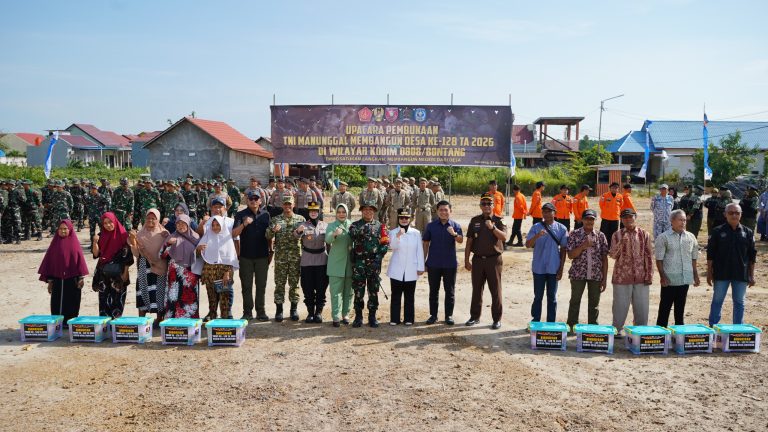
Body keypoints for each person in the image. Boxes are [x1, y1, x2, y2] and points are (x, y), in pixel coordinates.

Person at [707, 203, 757, 326]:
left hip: (740, 274)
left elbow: (752, 256)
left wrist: (752, 275)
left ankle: (737, 329)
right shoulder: (717, 231)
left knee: (739, 302)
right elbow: (710, 255)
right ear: (725, 214)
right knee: (717, 301)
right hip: (721, 273)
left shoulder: (748, 232)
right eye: (731, 213)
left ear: (741, 215)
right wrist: (709, 273)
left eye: (737, 213)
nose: (734, 215)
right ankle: (713, 327)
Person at [464, 193, 507, 329]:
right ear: (480, 206)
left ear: (493, 205)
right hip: (478, 260)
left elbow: (504, 237)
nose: (486, 206)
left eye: (489, 203)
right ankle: (474, 317)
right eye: (484, 204)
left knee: (495, 290)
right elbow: (469, 242)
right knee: (476, 289)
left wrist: (493, 228)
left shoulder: (498, 220)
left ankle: (496, 319)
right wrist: (466, 260)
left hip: (493, 260)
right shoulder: (475, 220)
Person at [609, 208, 654, 335]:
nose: (628, 219)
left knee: (642, 306)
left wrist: (649, 275)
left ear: (635, 217)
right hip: (622, 277)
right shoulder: (616, 235)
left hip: (641, 277)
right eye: (625, 217)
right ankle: (617, 330)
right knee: (620, 306)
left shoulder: (644, 234)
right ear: (621, 220)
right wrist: (621, 244)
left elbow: (649, 256)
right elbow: (613, 255)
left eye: (630, 217)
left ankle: (640, 332)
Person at [38, 219, 89, 325]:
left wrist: (81, 278)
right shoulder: (54, 244)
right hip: (57, 279)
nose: (63, 231)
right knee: (56, 301)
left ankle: (70, 322)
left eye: (65, 229)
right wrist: (50, 281)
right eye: (60, 229)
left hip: (72, 279)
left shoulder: (74, 244)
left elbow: (79, 262)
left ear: (70, 229)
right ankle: (58, 323)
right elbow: (50, 263)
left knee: (72, 300)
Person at [654, 209, 700, 327]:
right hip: (669, 280)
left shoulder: (691, 237)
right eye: (680, 220)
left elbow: (693, 258)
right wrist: (662, 277)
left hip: (685, 279)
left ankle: (679, 333)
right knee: (665, 308)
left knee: (680, 308)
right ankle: (661, 332)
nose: (683, 222)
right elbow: (659, 259)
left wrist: (695, 275)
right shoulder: (663, 237)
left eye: (684, 220)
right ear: (672, 221)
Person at [349, 199, 389, 328]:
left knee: (373, 290)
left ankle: (372, 316)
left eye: (370, 209)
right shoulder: (355, 225)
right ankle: (358, 316)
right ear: (361, 211)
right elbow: (352, 235)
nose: (368, 212)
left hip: (374, 264)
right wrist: (363, 229)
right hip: (359, 263)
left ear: (374, 211)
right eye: (365, 209)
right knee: (358, 291)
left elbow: (385, 243)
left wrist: (378, 258)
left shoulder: (380, 226)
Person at [565, 209, 608, 330]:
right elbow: (570, 255)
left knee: (594, 304)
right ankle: (572, 326)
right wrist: (583, 246)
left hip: (595, 275)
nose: (589, 221)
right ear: (582, 220)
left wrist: (604, 279)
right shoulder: (574, 234)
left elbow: (604, 259)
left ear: (595, 220)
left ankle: (592, 328)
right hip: (578, 274)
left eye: (592, 219)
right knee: (575, 301)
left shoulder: (600, 236)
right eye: (587, 219)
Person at [232, 190, 272, 321]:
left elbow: (269, 235)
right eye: (251, 199)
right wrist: (244, 224)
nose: (253, 201)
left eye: (256, 198)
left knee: (261, 286)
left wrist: (271, 251)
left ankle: (261, 311)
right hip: (246, 256)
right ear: (247, 201)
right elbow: (234, 233)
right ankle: (247, 312)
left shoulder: (266, 215)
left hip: (262, 256)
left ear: (260, 201)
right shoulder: (240, 214)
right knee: (246, 286)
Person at [526, 202, 568, 323]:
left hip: (553, 268)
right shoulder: (536, 227)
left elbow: (564, 249)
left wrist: (561, 269)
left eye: (549, 211)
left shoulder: (562, 228)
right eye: (544, 211)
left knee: (552, 297)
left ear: (555, 213)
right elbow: (528, 245)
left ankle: (551, 323)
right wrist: (537, 236)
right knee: (538, 296)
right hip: (538, 268)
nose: (546, 214)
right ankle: (535, 321)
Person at [423, 200, 463, 325]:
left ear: (450, 211)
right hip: (433, 263)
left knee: (449, 291)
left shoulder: (455, 225)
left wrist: (454, 234)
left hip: (449, 264)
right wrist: (423, 261)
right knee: (433, 291)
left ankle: (448, 316)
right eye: (441, 210)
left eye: (446, 210)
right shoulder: (431, 226)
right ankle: (433, 315)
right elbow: (426, 243)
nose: (443, 212)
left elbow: (461, 240)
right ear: (437, 211)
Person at [266, 195, 305, 322]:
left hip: (295, 257)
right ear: (282, 205)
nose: (287, 206)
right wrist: (273, 230)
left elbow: (305, 238)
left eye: (289, 204)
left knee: (294, 284)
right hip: (281, 258)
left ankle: (293, 310)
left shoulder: (300, 219)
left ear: (293, 205)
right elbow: (267, 235)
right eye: (285, 204)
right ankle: (279, 310)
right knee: (279, 284)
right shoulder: (276, 219)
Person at [129, 208, 169, 321]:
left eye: (153, 218)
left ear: (158, 219)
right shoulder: (139, 234)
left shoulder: (164, 233)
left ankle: (159, 319)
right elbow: (136, 254)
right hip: (144, 266)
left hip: (160, 266)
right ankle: (141, 319)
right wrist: (133, 241)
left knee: (159, 291)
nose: (150, 220)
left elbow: (168, 250)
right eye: (148, 218)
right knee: (143, 291)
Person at [91, 212, 134, 318]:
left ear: (115, 221)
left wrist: (125, 273)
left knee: (117, 300)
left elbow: (128, 255)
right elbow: (96, 254)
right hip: (103, 273)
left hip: (118, 274)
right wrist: (95, 243)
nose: (108, 225)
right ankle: (104, 324)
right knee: (103, 300)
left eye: (110, 222)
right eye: (105, 223)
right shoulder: (101, 236)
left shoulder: (123, 235)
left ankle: (115, 323)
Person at [386, 209, 424, 326]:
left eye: (406, 218)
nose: (404, 220)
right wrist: (398, 235)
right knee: (396, 295)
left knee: (409, 296)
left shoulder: (416, 233)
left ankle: (409, 319)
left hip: (411, 268)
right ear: (398, 219)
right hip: (396, 268)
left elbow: (419, 251)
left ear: (410, 219)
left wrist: (420, 266)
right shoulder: (393, 232)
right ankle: (395, 319)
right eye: (401, 218)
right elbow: (392, 247)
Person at [197, 216, 239, 320]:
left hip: (224, 272)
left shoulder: (227, 238)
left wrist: (227, 273)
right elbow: (197, 254)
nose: (215, 227)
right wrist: (198, 249)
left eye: (218, 225)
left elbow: (231, 257)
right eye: (213, 225)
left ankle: (224, 322)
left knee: (224, 298)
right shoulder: (207, 236)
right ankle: (212, 320)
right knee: (212, 298)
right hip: (209, 271)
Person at [160, 214, 201, 319]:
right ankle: (172, 321)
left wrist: (199, 250)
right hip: (174, 274)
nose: (181, 226)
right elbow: (162, 255)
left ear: (188, 224)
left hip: (190, 273)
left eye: (183, 223)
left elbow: (200, 256)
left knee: (189, 296)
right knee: (173, 296)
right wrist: (168, 244)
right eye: (178, 223)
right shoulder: (172, 237)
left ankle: (190, 322)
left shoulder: (196, 237)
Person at [295, 201, 328, 323]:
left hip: (322, 259)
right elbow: (296, 236)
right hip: (307, 260)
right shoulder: (303, 225)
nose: (313, 213)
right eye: (311, 211)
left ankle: (318, 312)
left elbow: (329, 243)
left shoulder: (325, 225)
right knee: (307, 287)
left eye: (315, 211)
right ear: (308, 212)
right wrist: (299, 231)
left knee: (321, 287)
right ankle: (310, 313)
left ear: (319, 212)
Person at [326, 203, 354, 327]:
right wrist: (334, 234)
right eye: (339, 212)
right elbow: (327, 239)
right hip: (336, 264)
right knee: (336, 292)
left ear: (347, 213)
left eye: (344, 212)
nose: (341, 214)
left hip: (349, 264)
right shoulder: (331, 226)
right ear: (336, 213)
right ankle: (336, 316)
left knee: (349, 292)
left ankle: (345, 314)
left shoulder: (352, 225)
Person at [599, 182, 623, 247]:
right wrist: (606, 211)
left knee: (613, 234)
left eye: (616, 188)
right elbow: (601, 205)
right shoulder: (604, 195)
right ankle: (602, 246)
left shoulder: (620, 196)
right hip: (606, 218)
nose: (614, 189)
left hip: (615, 218)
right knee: (604, 233)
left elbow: (621, 205)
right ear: (610, 188)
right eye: (613, 188)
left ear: (618, 189)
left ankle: (611, 247)